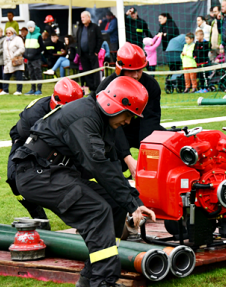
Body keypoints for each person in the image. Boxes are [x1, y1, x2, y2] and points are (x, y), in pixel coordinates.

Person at [13, 76, 156, 287]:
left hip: (55, 171)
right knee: (97, 211)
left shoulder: (100, 119)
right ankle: (102, 282)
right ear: (113, 106)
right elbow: (97, 164)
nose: (128, 122)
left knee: (115, 205)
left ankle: (91, 277)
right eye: (128, 115)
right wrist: (133, 202)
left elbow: (111, 164)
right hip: (39, 175)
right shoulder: (84, 117)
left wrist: (131, 201)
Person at [7, 78, 83, 229]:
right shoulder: (35, 114)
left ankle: (81, 216)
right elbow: (35, 144)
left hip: (61, 144)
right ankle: (39, 218)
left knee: (73, 178)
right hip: (26, 142)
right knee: (14, 178)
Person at [96, 43, 164, 178]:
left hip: (137, 127)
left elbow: (150, 120)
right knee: (114, 162)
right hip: (112, 130)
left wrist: (148, 152)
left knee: (164, 142)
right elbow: (110, 126)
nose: (136, 75)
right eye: (131, 71)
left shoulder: (151, 86)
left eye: (139, 70)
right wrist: (126, 156)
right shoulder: (106, 88)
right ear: (120, 69)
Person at [76, 11, 103, 94]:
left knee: (95, 72)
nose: (82, 19)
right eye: (81, 18)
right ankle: (90, 89)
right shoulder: (80, 28)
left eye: (83, 17)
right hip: (83, 54)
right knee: (86, 72)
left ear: (88, 17)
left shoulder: (95, 27)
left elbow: (100, 39)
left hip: (92, 54)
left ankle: (97, 89)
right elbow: (77, 39)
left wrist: (96, 51)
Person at [1, 27, 25, 96]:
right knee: (5, 75)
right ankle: (5, 90)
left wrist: (14, 55)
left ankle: (19, 90)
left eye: (10, 33)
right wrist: (4, 60)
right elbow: (4, 51)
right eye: (7, 33)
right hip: (8, 61)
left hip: (16, 60)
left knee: (18, 75)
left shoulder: (18, 39)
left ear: (13, 33)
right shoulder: (5, 40)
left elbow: (22, 49)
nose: (8, 34)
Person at [23, 21, 45, 95]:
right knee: (31, 73)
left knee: (37, 73)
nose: (30, 29)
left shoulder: (38, 35)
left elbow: (42, 47)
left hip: (36, 58)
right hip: (29, 58)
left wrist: (35, 53)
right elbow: (26, 46)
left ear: (34, 27)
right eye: (28, 28)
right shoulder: (28, 35)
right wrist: (25, 54)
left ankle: (39, 89)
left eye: (31, 27)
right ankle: (32, 89)